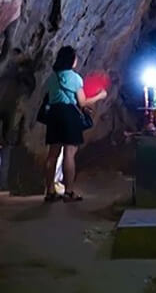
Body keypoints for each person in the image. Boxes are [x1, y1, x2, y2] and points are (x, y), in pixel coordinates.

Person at [43, 47, 106, 202]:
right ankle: (69, 191)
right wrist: (99, 96)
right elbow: (82, 102)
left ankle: (50, 191)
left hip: (53, 115)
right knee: (69, 154)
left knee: (52, 155)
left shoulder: (52, 77)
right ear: (71, 60)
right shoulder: (75, 78)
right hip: (69, 116)